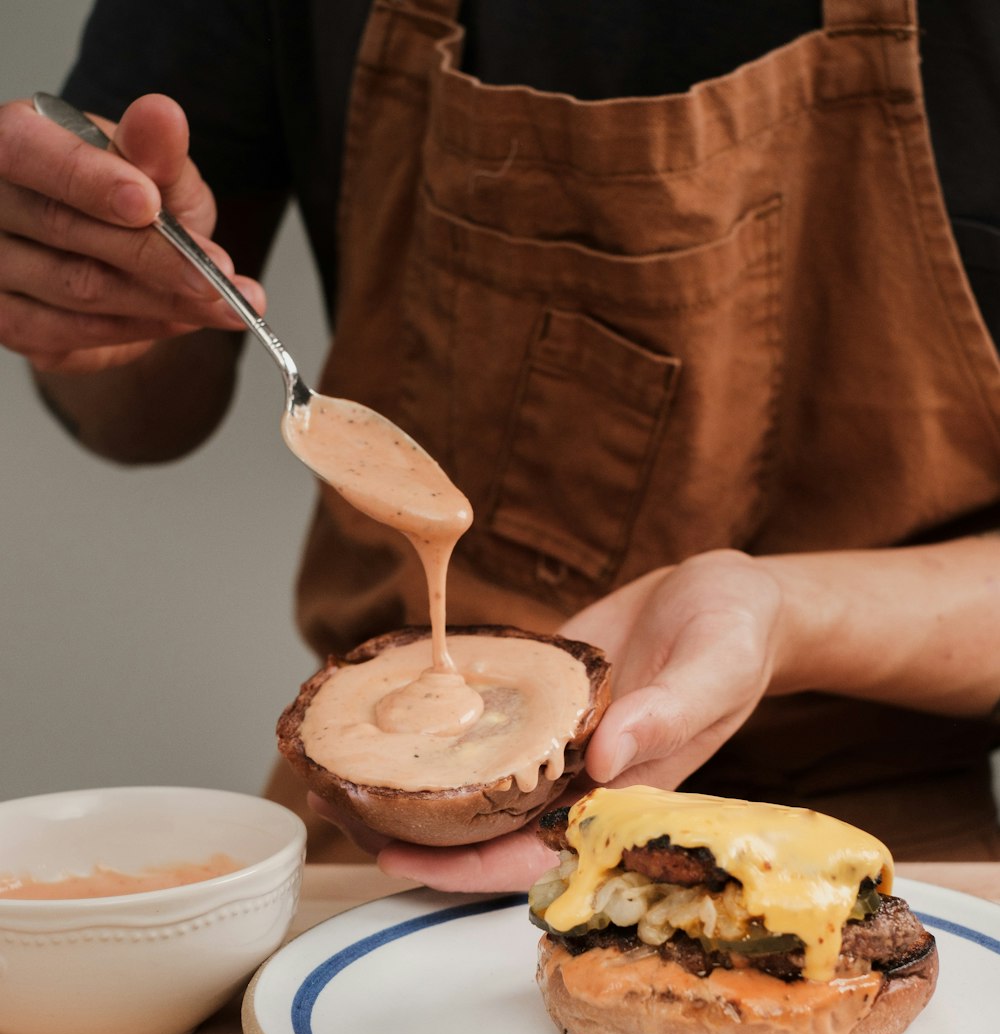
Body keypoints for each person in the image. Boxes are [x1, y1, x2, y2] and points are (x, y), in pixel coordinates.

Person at [2, 0, 999, 893]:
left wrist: (786, 616)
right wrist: (88, 290)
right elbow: (136, 412)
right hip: (388, 845)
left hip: (867, 847)